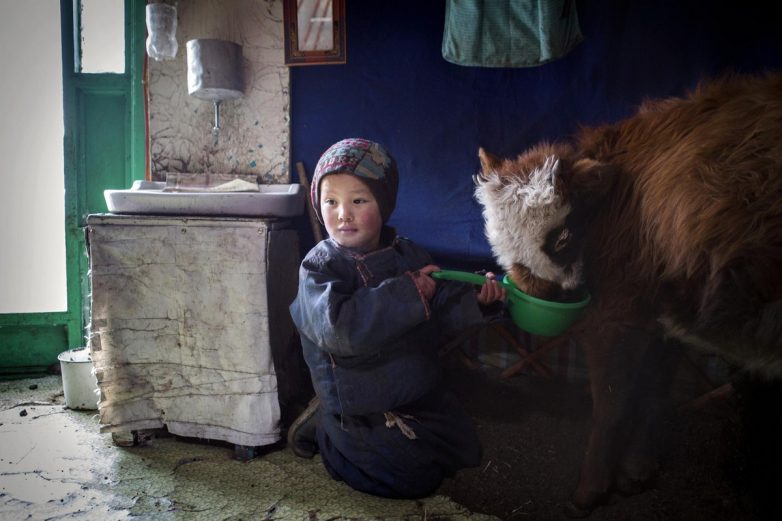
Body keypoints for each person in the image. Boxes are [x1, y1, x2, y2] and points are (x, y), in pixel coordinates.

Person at [288, 138, 505, 499]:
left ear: (384, 205)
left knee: (462, 447)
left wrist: (478, 301)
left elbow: (442, 310)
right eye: (331, 202)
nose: (343, 214)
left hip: (414, 394)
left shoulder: (408, 253)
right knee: (408, 478)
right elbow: (340, 329)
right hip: (360, 404)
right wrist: (409, 293)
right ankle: (326, 431)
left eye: (359, 200)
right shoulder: (319, 268)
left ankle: (385, 431)